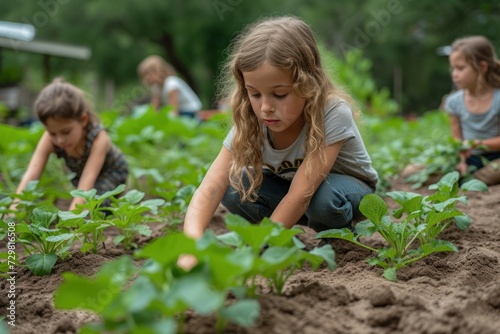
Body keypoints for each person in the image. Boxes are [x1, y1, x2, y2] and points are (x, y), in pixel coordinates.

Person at [179, 16, 378, 268]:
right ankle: (282, 238)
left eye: (279, 94)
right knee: (234, 185)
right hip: (295, 194)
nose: (265, 107)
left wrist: (258, 249)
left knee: (323, 200)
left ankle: (340, 240)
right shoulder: (253, 119)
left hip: (349, 193)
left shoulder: (331, 112)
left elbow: (300, 195)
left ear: (308, 83)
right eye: (254, 94)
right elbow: (210, 188)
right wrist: (190, 247)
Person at [11, 78, 128, 211]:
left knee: (95, 208)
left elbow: (87, 180)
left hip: (111, 172)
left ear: (83, 120)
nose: (60, 140)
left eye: (66, 132)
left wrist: (71, 221)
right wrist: (12, 215)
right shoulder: (49, 138)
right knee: (83, 201)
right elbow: (31, 174)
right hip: (82, 176)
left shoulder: (99, 138)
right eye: (52, 133)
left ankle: (118, 195)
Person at [444, 35, 500, 185]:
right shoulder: (453, 102)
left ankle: (470, 180)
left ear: (482, 67)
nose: (454, 74)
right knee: (417, 170)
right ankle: (470, 177)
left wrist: (474, 143)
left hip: (496, 157)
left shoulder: (498, 99)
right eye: (453, 68)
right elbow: (457, 140)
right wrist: (461, 160)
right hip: (470, 157)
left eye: (460, 68)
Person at [137, 55, 202, 119]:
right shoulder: (156, 88)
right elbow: (154, 108)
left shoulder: (171, 84)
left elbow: (174, 110)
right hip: (179, 112)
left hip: (189, 111)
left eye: (148, 74)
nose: (146, 79)